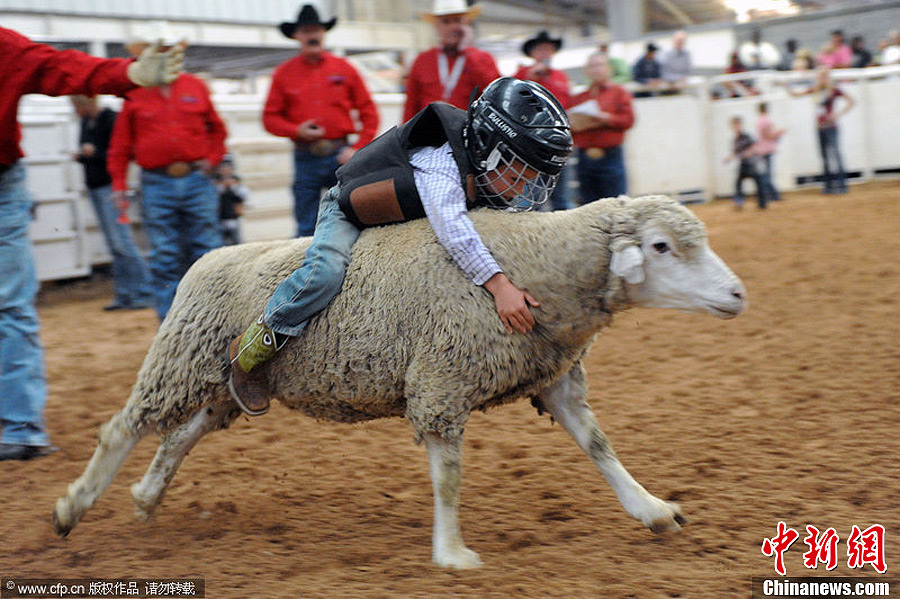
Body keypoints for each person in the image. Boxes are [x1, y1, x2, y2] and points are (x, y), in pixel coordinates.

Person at [227, 77, 573, 416]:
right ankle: (252, 350)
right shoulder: (441, 168)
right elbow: (454, 230)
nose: (520, 193)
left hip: (402, 225)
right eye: (516, 178)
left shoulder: (484, 172)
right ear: (488, 151)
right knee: (325, 272)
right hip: (349, 212)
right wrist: (498, 284)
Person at [0, 26, 183, 461]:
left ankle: (21, 426)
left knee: (9, 302)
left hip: (4, 182)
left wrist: (130, 72)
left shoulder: (5, 48)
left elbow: (62, 66)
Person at [107, 31, 227, 322]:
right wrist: (119, 185)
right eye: (157, 51)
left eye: (168, 51)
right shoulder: (135, 94)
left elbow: (218, 131)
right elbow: (120, 147)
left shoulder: (195, 87)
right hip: (157, 182)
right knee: (165, 256)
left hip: (195, 178)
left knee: (207, 252)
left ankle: (214, 321)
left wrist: (211, 161)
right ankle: (170, 326)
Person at [264, 4, 379, 237]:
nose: (312, 36)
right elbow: (269, 118)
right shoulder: (283, 73)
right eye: (307, 31)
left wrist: (358, 148)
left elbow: (368, 111)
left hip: (341, 155)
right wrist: (296, 130)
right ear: (297, 35)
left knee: (354, 217)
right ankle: (307, 268)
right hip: (305, 157)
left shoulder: (344, 68)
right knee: (305, 225)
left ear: (323, 33)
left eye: (316, 30)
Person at [70, 95, 154, 311]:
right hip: (100, 186)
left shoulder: (109, 119)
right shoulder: (91, 121)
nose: (74, 110)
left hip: (110, 187)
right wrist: (87, 155)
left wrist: (92, 154)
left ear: (85, 103)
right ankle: (127, 294)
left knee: (121, 242)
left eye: (75, 105)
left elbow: (120, 153)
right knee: (117, 243)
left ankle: (143, 292)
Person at [402, 0, 500, 122]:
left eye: (457, 20)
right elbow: (411, 104)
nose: (452, 27)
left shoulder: (482, 59)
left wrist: (468, 52)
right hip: (429, 132)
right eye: (446, 21)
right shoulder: (423, 60)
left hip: (468, 132)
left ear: (467, 23)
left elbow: (494, 95)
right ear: (437, 26)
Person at [513, 30, 571, 211]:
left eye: (548, 48)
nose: (545, 52)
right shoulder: (521, 74)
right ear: (532, 52)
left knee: (560, 195)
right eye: (541, 49)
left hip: (557, 141)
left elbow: (566, 104)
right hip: (530, 143)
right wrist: (530, 78)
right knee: (528, 195)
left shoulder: (560, 76)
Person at [568, 53, 634, 205]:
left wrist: (607, 118)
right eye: (592, 66)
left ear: (609, 69)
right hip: (585, 157)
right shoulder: (579, 97)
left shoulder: (619, 93)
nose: (596, 70)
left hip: (610, 155)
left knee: (616, 204)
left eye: (600, 65)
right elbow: (570, 126)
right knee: (588, 205)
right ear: (587, 71)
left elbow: (629, 120)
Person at [788, 67, 855, 194]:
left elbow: (851, 101)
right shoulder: (817, 90)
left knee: (835, 155)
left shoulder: (832, 90)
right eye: (819, 76)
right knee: (826, 157)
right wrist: (789, 85)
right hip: (820, 127)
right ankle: (829, 185)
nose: (821, 79)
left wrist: (837, 114)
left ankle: (841, 185)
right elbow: (795, 95)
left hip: (830, 127)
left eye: (823, 76)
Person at [723, 116, 767, 211]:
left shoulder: (747, 136)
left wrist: (749, 152)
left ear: (741, 125)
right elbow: (736, 153)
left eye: (737, 125)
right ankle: (739, 202)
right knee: (738, 182)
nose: (736, 127)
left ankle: (762, 203)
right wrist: (729, 158)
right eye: (734, 125)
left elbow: (754, 146)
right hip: (744, 164)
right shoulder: (736, 140)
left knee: (759, 183)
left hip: (753, 163)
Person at [755, 102, 785, 203]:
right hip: (767, 149)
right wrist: (779, 133)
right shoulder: (766, 120)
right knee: (768, 174)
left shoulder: (759, 121)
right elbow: (769, 135)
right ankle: (773, 195)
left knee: (766, 174)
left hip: (762, 149)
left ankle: (769, 194)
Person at [215, 157, 249, 246]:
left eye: (228, 168)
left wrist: (233, 187)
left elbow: (243, 195)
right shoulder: (215, 183)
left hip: (233, 218)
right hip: (219, 219)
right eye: (223, 168)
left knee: (236, 241)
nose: (225, 171)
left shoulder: (237, 182)